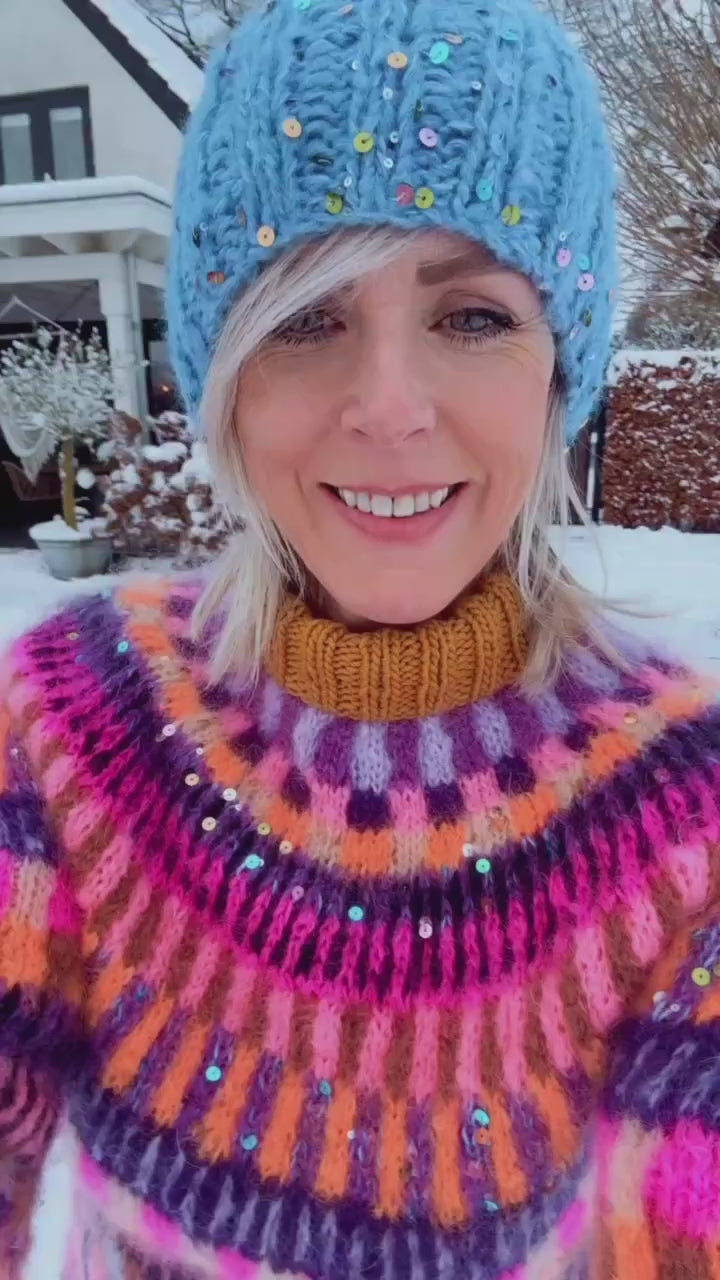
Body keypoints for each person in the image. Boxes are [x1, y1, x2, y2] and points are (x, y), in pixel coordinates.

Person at [1, 0, 718, 1274]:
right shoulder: (73, 724)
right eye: (306, 318)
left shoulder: (679, 812)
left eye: (473, 317)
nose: (389, 408)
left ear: (561, 371)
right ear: (225, 374)